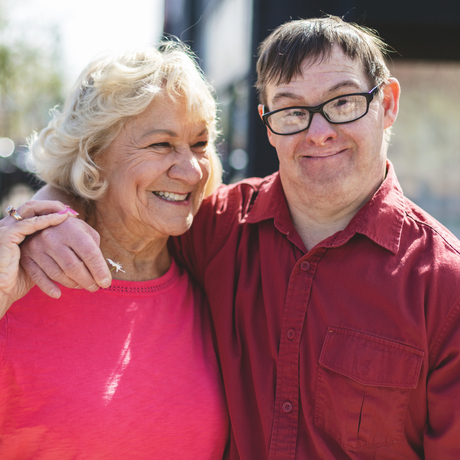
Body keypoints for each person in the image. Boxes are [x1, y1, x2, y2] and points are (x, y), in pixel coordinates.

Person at [21, 15, 460, 459]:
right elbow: (121, 201)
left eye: (343, 102)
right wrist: (50, 215)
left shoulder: (446, 286)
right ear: (268, 123)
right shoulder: (217, 226)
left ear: (386, 103)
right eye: (292, 110)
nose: (319, 131)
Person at [0, 42, 229, 459]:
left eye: (200, 143)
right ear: (93, 156)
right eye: (161, 145)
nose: (192, 169)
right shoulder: (16, 282)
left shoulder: (217, 271)